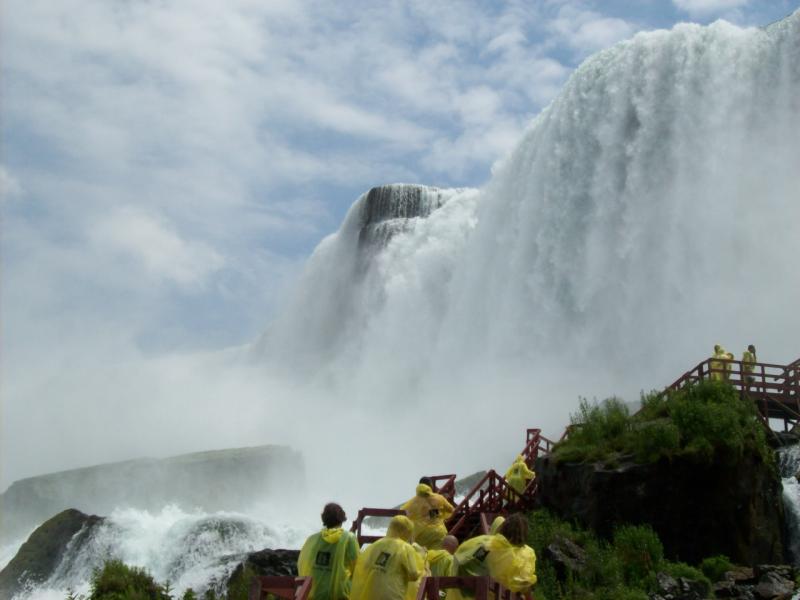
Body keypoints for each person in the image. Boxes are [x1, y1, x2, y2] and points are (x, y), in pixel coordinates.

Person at [452, 513, 536, 596]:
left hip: (475, 594)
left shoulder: (488, 545)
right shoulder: (526, 554)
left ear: (503, 527)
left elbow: (471, 563)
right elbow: (524, 585)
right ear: (524, 534)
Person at [350, 515, 422, 600]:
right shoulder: (406, 548)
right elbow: (413, 575)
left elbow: (365, 567)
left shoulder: (376, 545)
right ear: (407, 531)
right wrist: (422, 569)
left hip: (371, 594)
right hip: (393, 595)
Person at [297, 502, 360, 600]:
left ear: (324, 519)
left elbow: (303, 564)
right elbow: (358, 568)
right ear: (342, 519)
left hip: (313, 596)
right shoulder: (349, 538)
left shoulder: (312, 539)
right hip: (339, 597)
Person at [401, 477, 455, 549]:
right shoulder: (439, 498)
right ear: (431, 486)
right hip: (438, 533)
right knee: (438, 554)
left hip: (420, 536)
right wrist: (441, 514)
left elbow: (402, 515)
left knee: (423, 555)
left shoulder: (411, 503)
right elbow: (451, 510)